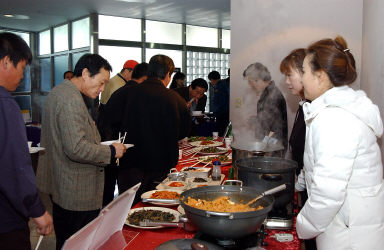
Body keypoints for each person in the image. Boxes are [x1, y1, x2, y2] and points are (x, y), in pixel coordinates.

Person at [295, 36, 384, 250]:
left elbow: (329, 192)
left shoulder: (334, 118)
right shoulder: (340, 110)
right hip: (351, 225)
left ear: (321, 76)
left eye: (304, 72)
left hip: (347, 233)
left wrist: (303, 226)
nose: (301, 79)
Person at [36, 53, 127, 250]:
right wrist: (111, 152)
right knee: (78, 243)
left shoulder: (60, 92)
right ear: (85, 73)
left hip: (63, 184)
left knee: (67, 241)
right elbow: (76, 148)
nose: (102, 89)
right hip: (77, 191)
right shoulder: (70, 100)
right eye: (101, 82)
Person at [100, 54, 191, 204]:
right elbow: (183, 132)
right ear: (168, 75)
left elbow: (107, 124)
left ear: (149, 72)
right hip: (161, 167)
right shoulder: (176, 99)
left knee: (128, 209)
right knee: (156, 208)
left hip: (129, 165)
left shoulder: (124, 93)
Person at [0, 32, 53, 250]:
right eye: (21, 68)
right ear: (5, 62)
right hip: (5, 222)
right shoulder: (5, 103)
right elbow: (14, 165)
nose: (22, 76)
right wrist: (37, 210)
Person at [97, 62, 148, 206]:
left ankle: (106, 212)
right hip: (116, 143)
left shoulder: (121, 87)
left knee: (110, 184)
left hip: (108, 138)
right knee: (121, 187)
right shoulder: (132, 91)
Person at [280, 49, 316, 250]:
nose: (286, 81)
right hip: (306, 190)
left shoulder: (317, 110)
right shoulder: (305, 106)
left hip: (316, 200)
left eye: (289, 75)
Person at [243, 62, 288, 151]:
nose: (251, 85)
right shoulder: (267, 93)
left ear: (259, 79)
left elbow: (274, 128)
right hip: (268, 144)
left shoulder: (273, 95)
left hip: (273, 147)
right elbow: (266, 118)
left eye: (251, 82)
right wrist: (254, 120)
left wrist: (262, 147)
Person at [208, 70, 230, 136]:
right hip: (226, 112)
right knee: (224, 132)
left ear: (212, 79)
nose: (211, 82)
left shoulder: (219, 86)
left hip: (222, 113)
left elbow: (220, 102)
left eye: (210, 80)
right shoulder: (225, 83)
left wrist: (215, 113)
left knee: (221, 132)